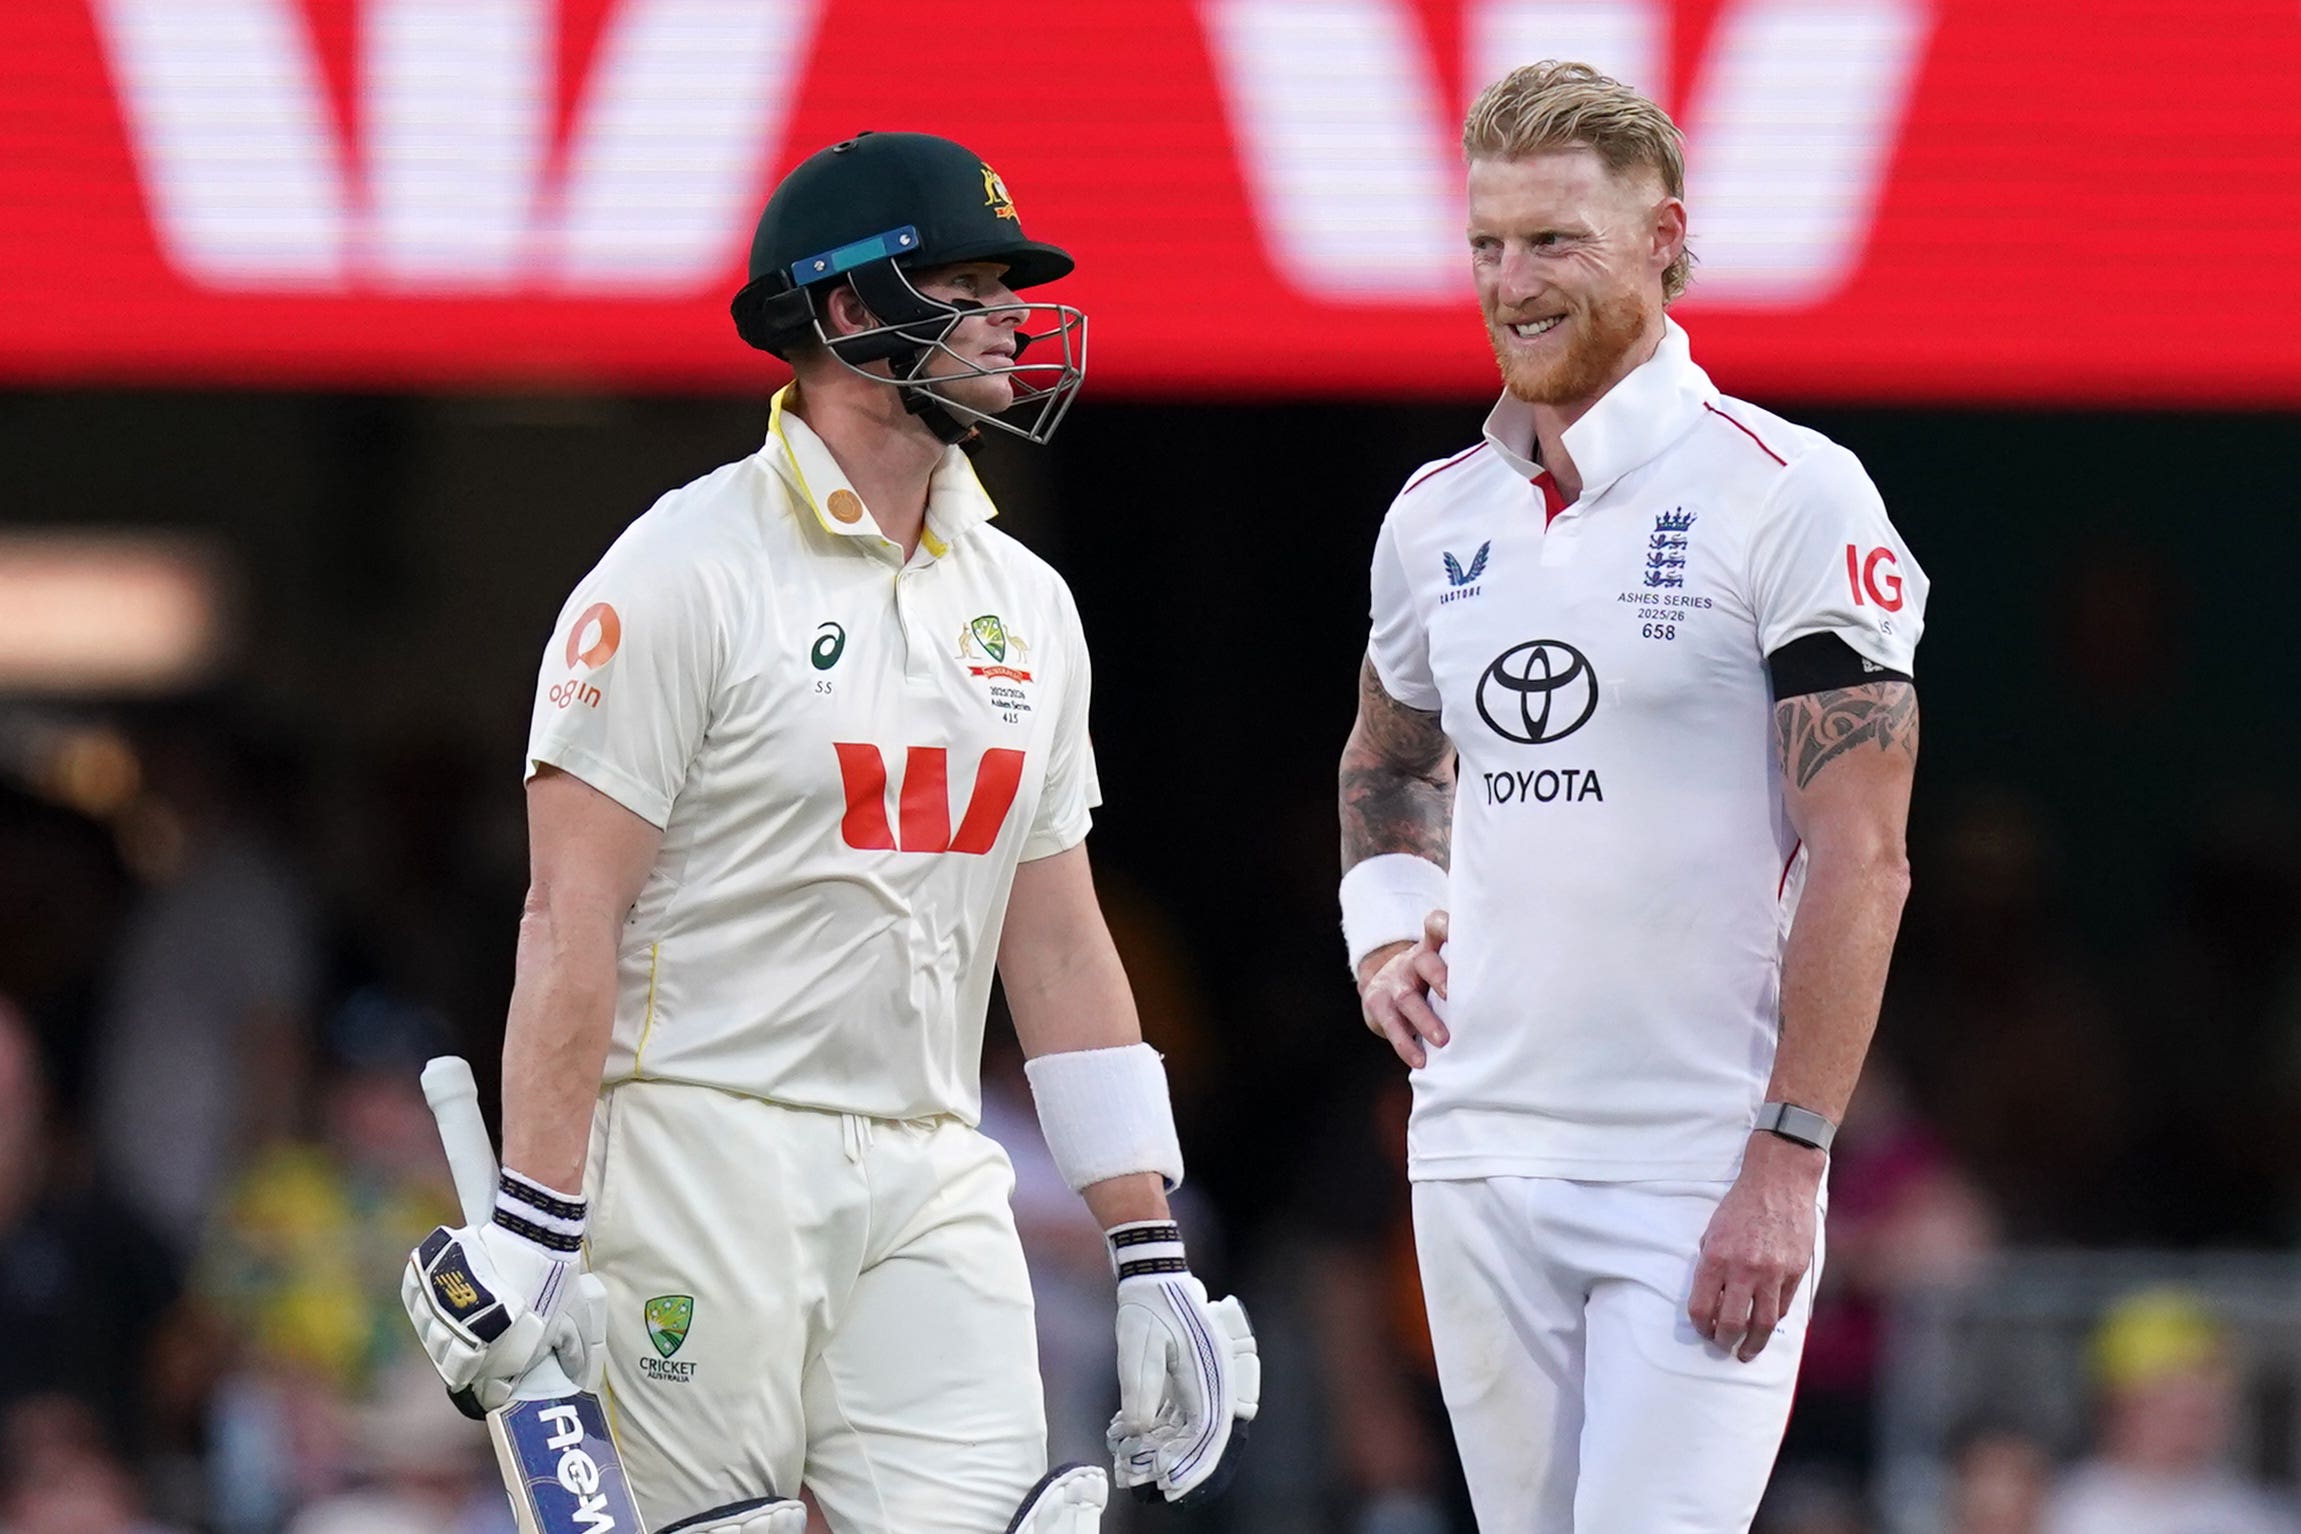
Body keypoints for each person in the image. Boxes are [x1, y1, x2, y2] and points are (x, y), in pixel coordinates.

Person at [397, 131, 1256, 1534]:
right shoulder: (679, 572)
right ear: (849, 311)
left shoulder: (1028, 602)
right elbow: (570, 918)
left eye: (1006, 285)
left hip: (929, 1150)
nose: (1006, 319)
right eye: (967, 284)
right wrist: (540, 1217)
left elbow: (1054, 938)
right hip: (693, 1143)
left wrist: (1147, 1242)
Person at [1337, 63, 1926, 1533]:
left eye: (1554, 242)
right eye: (1486, 245)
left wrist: (1788, 1158)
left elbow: (1866, 860)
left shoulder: (1792, 492)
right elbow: (1392, 756)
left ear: (1664, 237)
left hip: (1695, 1163)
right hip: (1472, 1148)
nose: (1510, 283)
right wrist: (1386, 928)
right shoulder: (1433, 516)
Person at [2043, 1289, 2300, 1534]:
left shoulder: (2261, 1517)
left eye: (2206, 1401)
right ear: (2117, 1403)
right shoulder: (2060, 1511)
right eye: (2167, 1397)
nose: (2193, 1415)